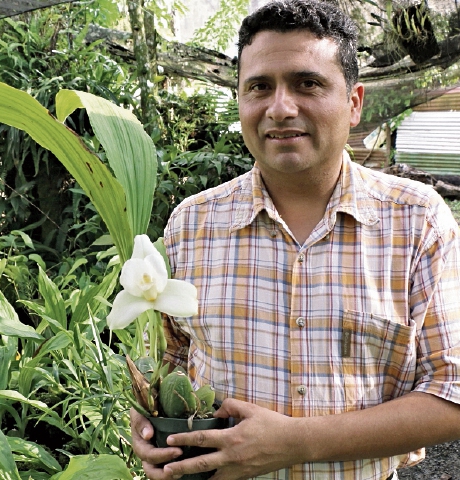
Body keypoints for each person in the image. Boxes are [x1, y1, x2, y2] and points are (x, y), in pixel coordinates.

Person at [130, 0, 460, 478]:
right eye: (259, 87)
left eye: (308, 84)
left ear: (354, 102)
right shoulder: (192, 224)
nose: (280, 108)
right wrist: (150, 423)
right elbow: (178, 358)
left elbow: (451, 394)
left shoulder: (417, 223)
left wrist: (297, 442)